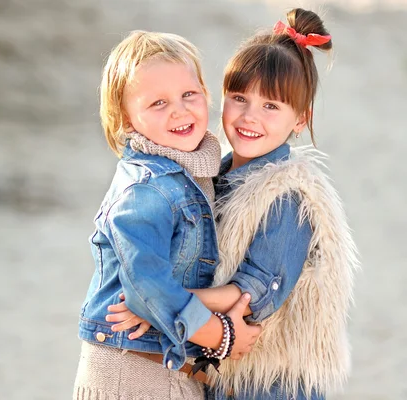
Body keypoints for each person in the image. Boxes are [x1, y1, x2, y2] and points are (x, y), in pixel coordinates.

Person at [107, 8, 359, 400]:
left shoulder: (289, 195)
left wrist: (156, 306)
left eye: (271, 107)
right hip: (224, 376)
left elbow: (252, 296)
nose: (249, 117)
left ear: (300, 119)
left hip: (272, 386)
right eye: (239, 98)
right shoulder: (212, 176)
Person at [74, 30, 262, 400]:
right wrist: (218, 335)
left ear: (206, 93)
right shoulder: (148, 188)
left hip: (163, 362)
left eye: (188, 94)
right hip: (129, 370)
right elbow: (145, 282)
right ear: (127, 120)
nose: (179, 110)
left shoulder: (193, 169)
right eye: (158, 103)